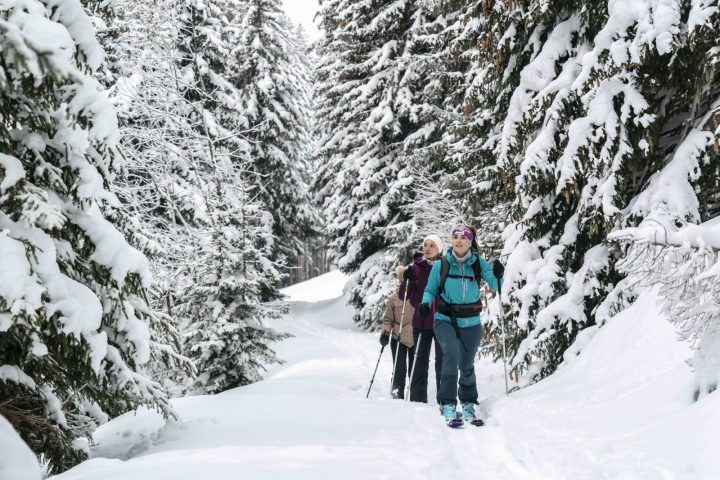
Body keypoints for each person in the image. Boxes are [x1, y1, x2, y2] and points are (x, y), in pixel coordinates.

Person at [419, 225, 504, 425]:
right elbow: (430, 289)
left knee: (466, 364)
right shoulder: (442, 264)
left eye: (462, 238)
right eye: (455, 237)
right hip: (445, 320)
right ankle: (447, 403)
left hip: (472, 322)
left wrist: (499, 274)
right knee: (451, 355)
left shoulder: (479, 264)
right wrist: (425, 303)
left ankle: (467, 402)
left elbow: (497, 286)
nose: (458, 241)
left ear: (470, 241)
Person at [395, 234, 444, 403]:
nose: (428, 248)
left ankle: (444, 401)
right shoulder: (416, 268)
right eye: (426, 245)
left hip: (442, 321)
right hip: (421, 322)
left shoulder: (445, 266)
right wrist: (405, 279)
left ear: (439, 249)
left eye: (432, 245)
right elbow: (403, 295)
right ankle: (417, 401)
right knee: (419, 363)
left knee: (443, 364)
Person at [379, 288, 414, 399]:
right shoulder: (394, 298)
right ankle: (398, 390)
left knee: (415, 368)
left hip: (415, 336)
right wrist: (385, 333)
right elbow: (388, 318)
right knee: (399, 365)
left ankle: (416, 393)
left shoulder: (418, 297)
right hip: (398, 336)